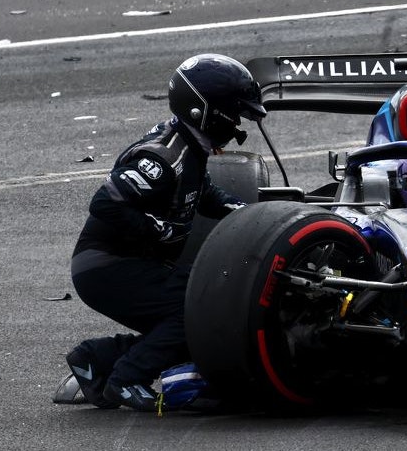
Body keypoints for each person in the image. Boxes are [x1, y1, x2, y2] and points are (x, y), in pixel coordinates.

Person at [64, 53, 266, 411]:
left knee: (210, 316)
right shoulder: (164, 158)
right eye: (235, 114)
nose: (237, 125)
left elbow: (204, 194)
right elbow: (105, 203)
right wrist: (157, 231)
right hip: (107, 266)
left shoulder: (190, 146)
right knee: (201, 308)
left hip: (128, 265)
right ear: (206, 110)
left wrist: (254, 215)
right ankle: (127, 378)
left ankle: (97, 358)